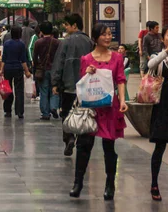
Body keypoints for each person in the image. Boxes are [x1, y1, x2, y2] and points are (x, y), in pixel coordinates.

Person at [69, 23, 128, 201]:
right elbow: (82, 82)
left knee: (109, 146)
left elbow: (120, 80)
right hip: (91, 108)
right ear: (95, 38)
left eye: (109, 34)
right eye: (104, 35)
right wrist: (87, 72)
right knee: (84, 145)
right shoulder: (86, 58)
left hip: (109, 107)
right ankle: (78, 182)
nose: (108, 37)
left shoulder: (117, 58)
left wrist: (123, 101)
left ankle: (110, 184)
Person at [148, 23, 168, 202]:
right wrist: (166, 51)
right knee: (160, 147)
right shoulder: (159, 57)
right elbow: (150, 66)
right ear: (163, 38)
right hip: (162, 106)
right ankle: (154, 184)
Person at [51, 13, 92, 156]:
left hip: (68, 86)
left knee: (67, 113)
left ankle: (68, 137)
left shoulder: (66, 42)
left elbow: (59, 63)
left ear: (74, 25)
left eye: (67, 25)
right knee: (84, 113)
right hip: (86, 85)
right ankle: (81, 138)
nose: (65, 27)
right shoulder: (89, 42)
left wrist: (55, 83)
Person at [0, 26, 31, 119]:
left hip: (8, 69)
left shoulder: (6, 43)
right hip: (18, 69)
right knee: (19, 90)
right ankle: (19, 111)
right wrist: (27, 71)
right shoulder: (21, 44)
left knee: (8, 90)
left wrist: (1, 69)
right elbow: (23, 60)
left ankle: (8, 110)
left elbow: (4, 58)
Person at [33, 21, 60, 120]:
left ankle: (45, 113)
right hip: (55, 70)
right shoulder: (57, 42)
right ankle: (53, 107)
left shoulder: (38, 42)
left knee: (44, 91)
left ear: (42, 31)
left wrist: (35, 68)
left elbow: (35, 57)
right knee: (55, 89)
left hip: (43, 70)